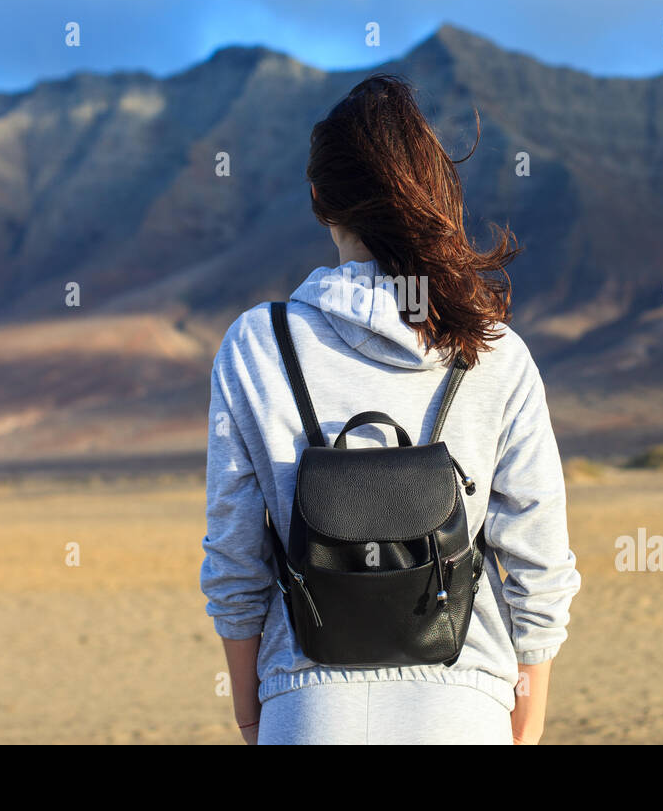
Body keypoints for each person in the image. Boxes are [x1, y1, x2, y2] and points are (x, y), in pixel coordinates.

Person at [200, 74, 581, 744]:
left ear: (320, 197)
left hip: (307, 708)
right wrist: (526, 717)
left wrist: (254, 713)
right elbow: (538, 559)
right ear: (435, 193)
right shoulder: (494, 352)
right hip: (465, 708)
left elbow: (235, 559)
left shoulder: (258, 343)